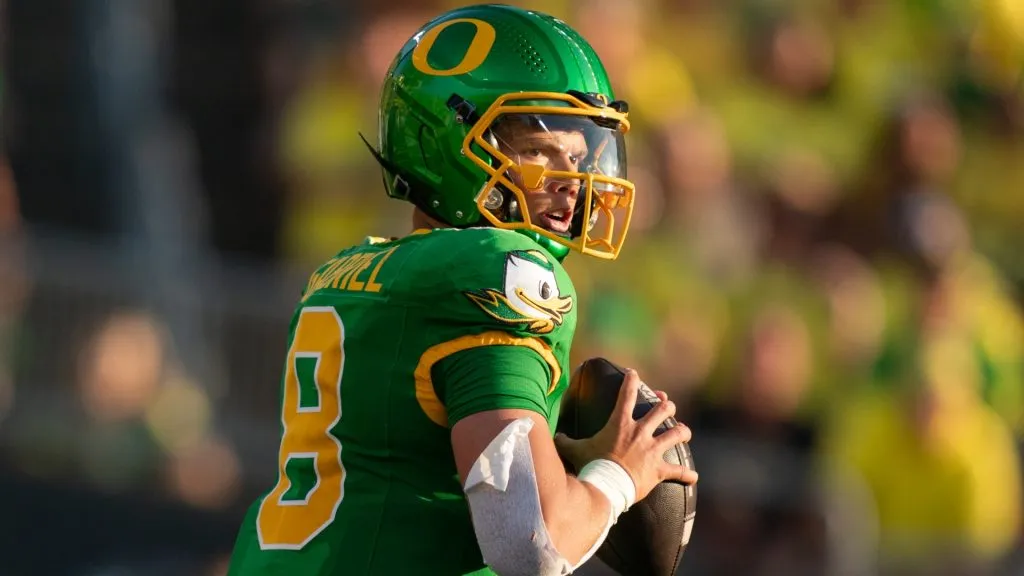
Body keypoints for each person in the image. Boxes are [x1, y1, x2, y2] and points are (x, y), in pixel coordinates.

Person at [227, 4, 697, 575]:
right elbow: (532, 544)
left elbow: (403, 461)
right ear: (442, 141)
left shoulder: (343, 272)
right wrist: (618, 475)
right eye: (538, 151)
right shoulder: (497, 268)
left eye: (577, 156)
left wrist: (557, 459)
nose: (572, 183)